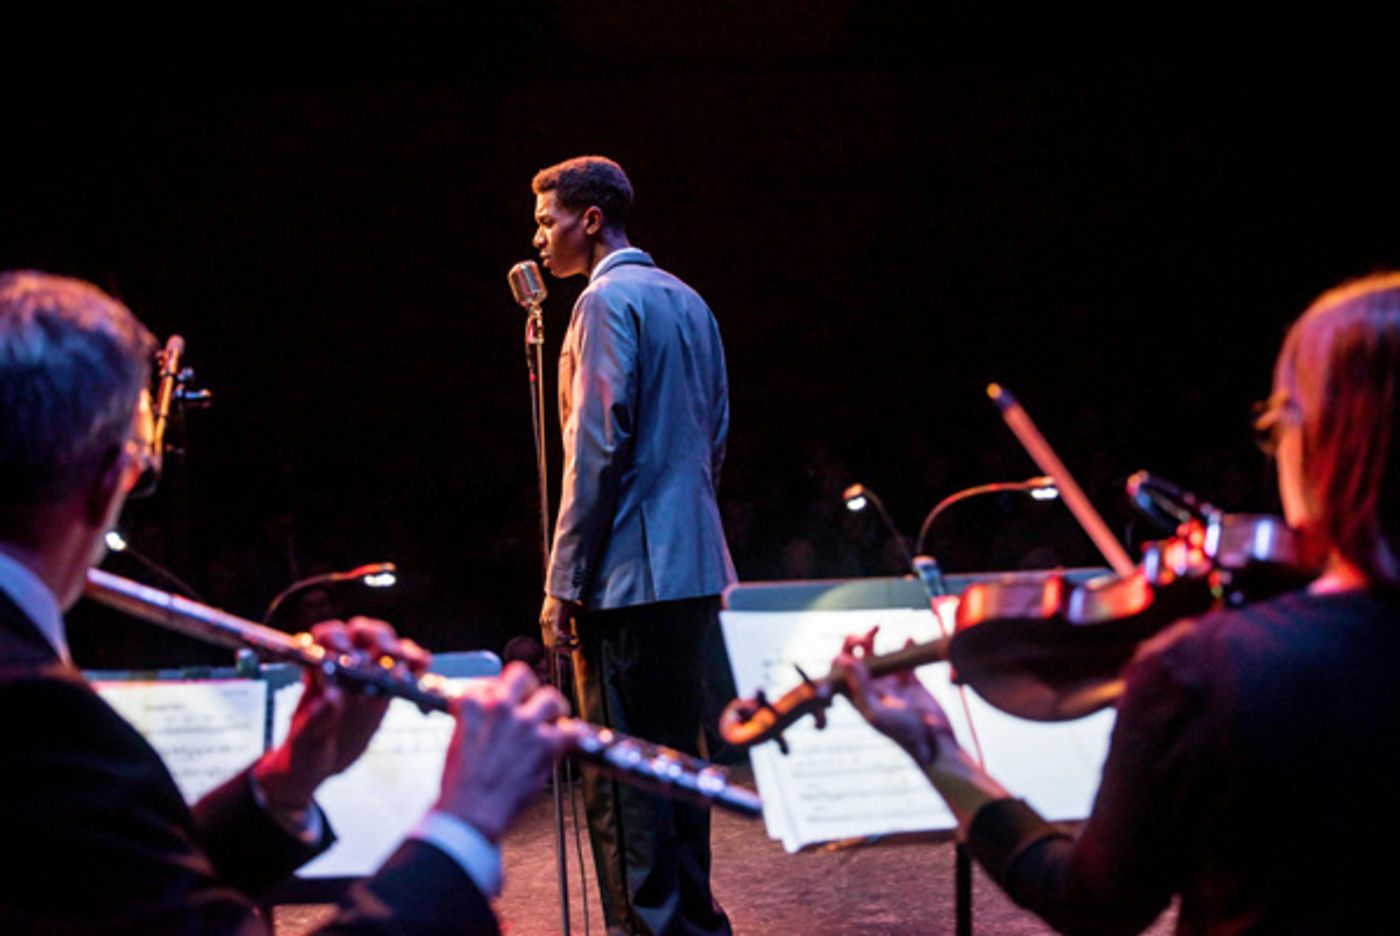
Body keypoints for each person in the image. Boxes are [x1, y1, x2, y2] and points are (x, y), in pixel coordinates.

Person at [0, 270, 573, 934]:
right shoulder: (40, 713)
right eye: (138, 465)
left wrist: (284, 782)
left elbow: (116, 896)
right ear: (107, 484)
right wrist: (464, 828)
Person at [834, 272, 1400, 933]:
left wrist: (937, 752)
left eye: (1280, 422)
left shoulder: (1208, 670)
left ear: (1324, 440)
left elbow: (1092, 903)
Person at [532, 156, 735, 935]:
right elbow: (713, 435)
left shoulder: (603, 302)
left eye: (548, 220)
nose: (540, 237)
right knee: (679, 769)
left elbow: (596, 449)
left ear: (590, 220)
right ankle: (696, 926)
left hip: (623, 578)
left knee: (623, 786)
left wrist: (563, 581)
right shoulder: (688, 299)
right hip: (692, 569)